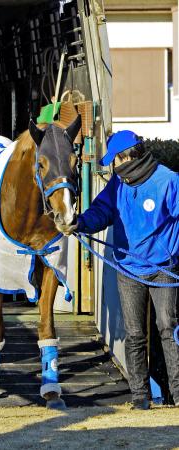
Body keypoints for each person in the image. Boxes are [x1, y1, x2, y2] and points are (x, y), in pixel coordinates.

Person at [72, 130, 179, 410]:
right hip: (129, 269)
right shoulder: (116, 186)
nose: (113, 166)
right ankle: (140, 396)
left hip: (163, 269)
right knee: (134, 334)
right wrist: (80, 223)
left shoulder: (168, 181)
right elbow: (100, 212)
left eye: (114, 160)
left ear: (127, 156)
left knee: (167, 328)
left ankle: (178, 395)